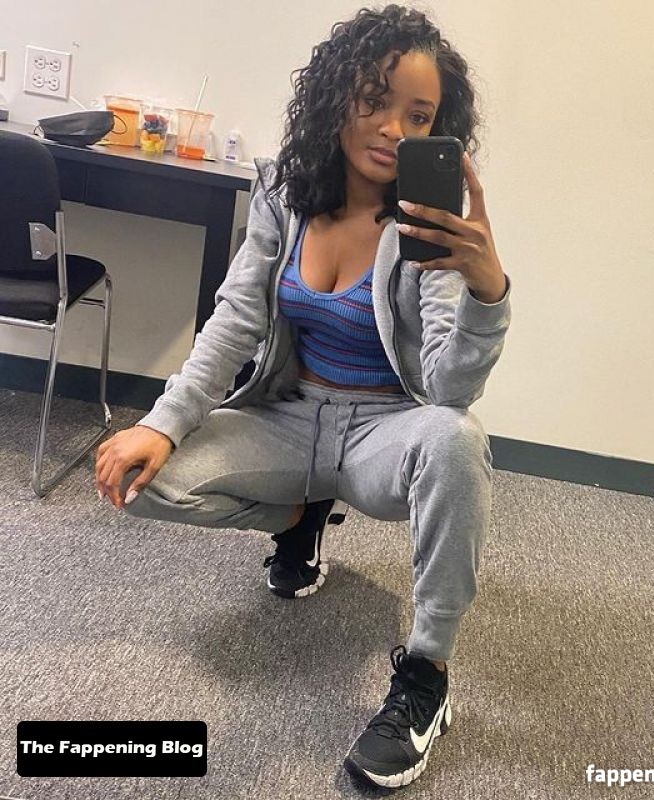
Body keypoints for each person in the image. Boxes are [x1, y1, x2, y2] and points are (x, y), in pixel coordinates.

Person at [94, 4, 511, 790]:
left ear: (440, 128)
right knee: (147, 480)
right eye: (374, 99)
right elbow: (235, 320)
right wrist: (162, 423)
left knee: (458, 440)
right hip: (288, 416)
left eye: (419, 116)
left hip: (382, 432)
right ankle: (300, 519)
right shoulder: (284, 191)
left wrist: (487, 293)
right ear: (337, 94)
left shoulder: (431, 225)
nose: (393, 128)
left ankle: (427, 677)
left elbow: (450, 392)